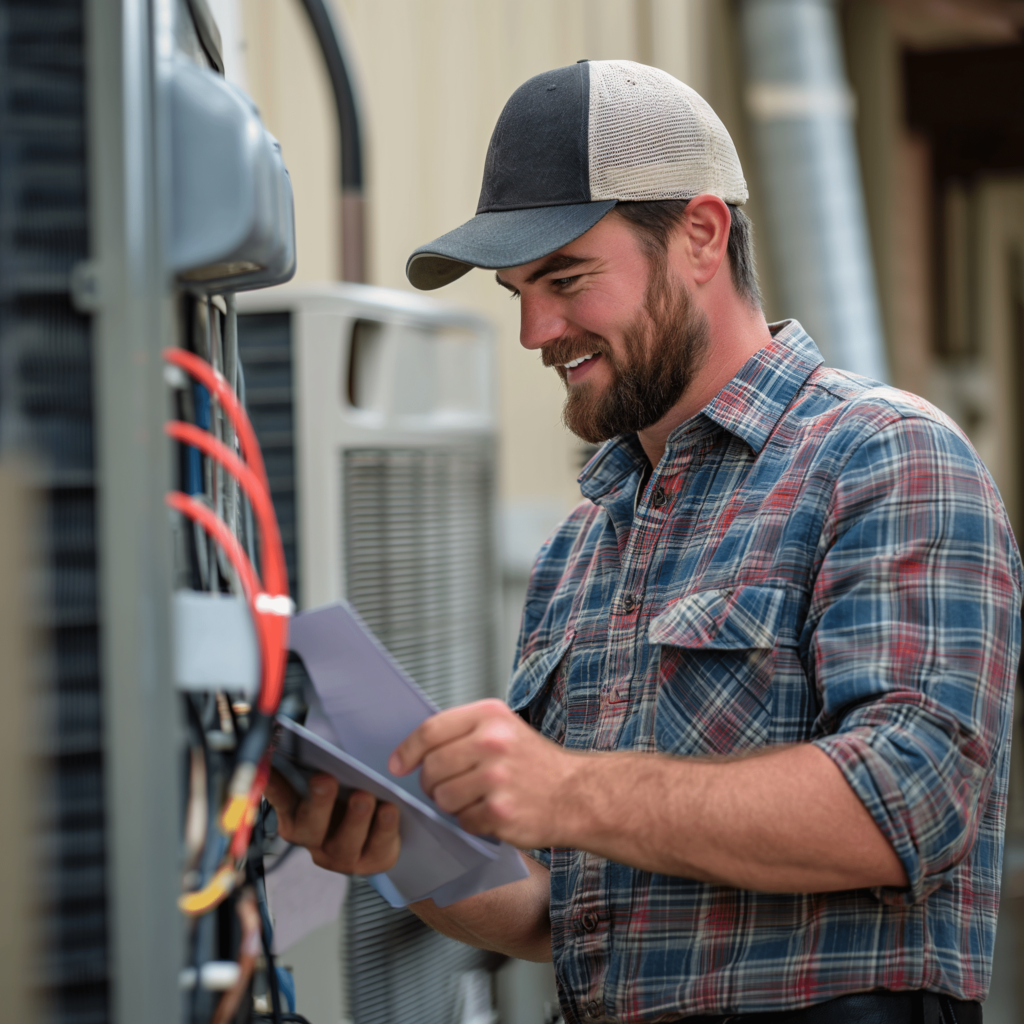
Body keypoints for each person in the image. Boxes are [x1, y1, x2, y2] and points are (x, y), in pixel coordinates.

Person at [265, 61, 1022, 1023]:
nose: (539, 329)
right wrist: (403, 853)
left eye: (568, 279)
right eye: (519, 293)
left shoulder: (884, 456)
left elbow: (913, 799)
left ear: (701, 236)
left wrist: (570, 791)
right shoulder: (585, 544)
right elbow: (560, 909)